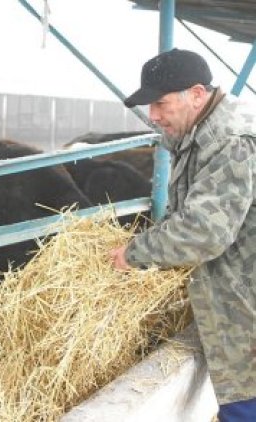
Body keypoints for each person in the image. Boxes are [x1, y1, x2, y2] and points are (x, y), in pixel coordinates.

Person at [110, 48, 256, 421]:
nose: (153, 116)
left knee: (245, 406)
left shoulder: (228, 139)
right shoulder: (201, 130)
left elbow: (204, 231)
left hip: (247, 313)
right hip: (238, 296)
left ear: (196, 94)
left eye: (160, 103)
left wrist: (134, 253)